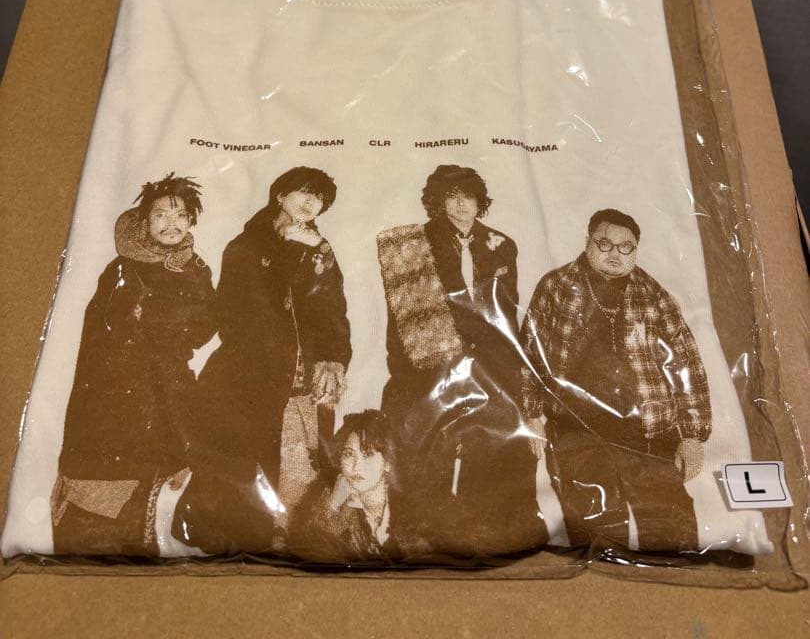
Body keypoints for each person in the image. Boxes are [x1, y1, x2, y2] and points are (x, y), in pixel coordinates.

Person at [174, 166, 352, 554]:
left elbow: (334, 312)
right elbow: (239, 316)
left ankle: (287, 544)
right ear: (280, 195)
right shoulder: (246, 247)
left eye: (319, 198)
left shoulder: (320, 250)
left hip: (303, 384)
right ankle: (239, 547)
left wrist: (334, 360)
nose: (311, 202)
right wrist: (291, 251)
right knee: (243, 473)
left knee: (300, 479)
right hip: (250, 379)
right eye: (303, 192)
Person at [376, 164, 546, 558]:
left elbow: (507, 313)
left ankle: (489, 539)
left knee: (494, 456)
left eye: (467, 196)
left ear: (479, 201)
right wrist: (407, 375)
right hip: (430, 364)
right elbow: (400, 319)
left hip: (491, 368)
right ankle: (422, 541)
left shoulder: (502, 245)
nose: (460, 205)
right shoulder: (412, 244)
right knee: (425, 452)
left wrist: (510, 374)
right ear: (437, 202)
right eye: (450, 197)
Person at [519, 208, 712, 553]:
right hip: (576, 430)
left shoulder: (653, 294)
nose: (614, 254)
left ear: (635, 250)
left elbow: (687, 364)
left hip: (648, 433)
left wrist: (692, 436)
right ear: (588, 241)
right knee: (596, 539)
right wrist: (532, 415)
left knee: (671, 533)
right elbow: (528, 354)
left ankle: (672, 582)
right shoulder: (556, 286)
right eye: (605, 244)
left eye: (626, 248)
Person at [52, 174, 216, 555]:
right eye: (161, 215)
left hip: (168, 387)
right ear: (145, 221)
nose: (171, 224)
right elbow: (110, 338)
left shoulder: (196, 269)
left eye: (180, 216)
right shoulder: (123, 271)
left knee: (154, 496)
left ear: (191, 221)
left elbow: (206, 325)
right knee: (109, 496)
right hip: (119, 399)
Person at [288, 410, 425, 563]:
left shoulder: (407, 510)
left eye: (368, 455)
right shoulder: (326, 499)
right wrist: (333, 506)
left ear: (387, 463)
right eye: (349, 454)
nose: (356, 466)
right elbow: (312, 555)